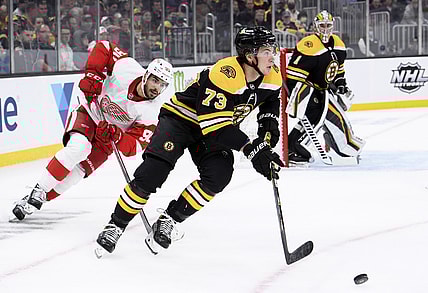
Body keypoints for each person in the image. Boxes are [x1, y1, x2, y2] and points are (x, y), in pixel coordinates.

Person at [95, 26, 284, 255]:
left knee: (219, 176)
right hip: (181, 120)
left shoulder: (272, 75)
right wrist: (251, 149)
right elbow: (216, 127)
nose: (272, 55)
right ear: (249, 55)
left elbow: (270, 107)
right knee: (153, 173)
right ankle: (115, 225)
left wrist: (266, 137)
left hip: (215, 129)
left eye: (272, 49)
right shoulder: (226, 73)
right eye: (266, 50)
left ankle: (170, 219)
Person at [10, 41, 173, 221]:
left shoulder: (153, 111)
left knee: (79, 172)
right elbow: (104, 46)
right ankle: (39, 189)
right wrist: (93, 76)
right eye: (155, 80)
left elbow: (134, 146)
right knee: (79, 147)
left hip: (108, 137)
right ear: (146, 75)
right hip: (89, 112)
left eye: (162, 84)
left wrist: (117, 135)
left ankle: (36, 200)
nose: (157, 87)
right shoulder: (127, 68)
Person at [285, 10, 365, 165]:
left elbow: (338, 70)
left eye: (328, 25)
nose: (325, 28)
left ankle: (344, 147)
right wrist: (299, 97)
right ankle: (294, 149)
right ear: (316, 26)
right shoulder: (308, 44)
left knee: (336, 118)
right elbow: (293, 75)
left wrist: (341, 85)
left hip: (324, 91)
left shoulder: (339, 44)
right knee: (316, 118)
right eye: (322, 25)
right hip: (307, 90)